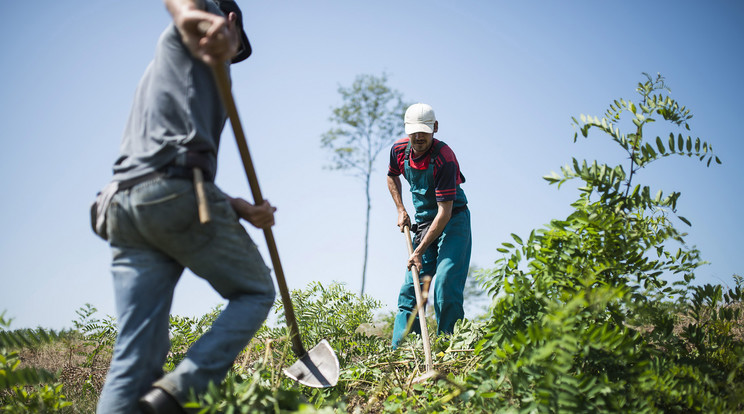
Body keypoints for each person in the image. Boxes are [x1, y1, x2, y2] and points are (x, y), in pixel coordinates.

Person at [93, 1, 276, 413]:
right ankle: (172, 398)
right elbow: (185, 10)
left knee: (135, 356)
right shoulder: (193, 36)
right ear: (230, 22)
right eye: (237, 44)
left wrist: (239, 208)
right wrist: (200, 20)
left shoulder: (172, 73)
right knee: (256, 291)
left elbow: (169, 162)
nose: (233, 55)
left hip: (124, 204)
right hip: (170, 195)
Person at [386, 103, 472, 349]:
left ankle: (450, 348)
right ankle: (404, 351)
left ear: (434, 128)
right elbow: (391, 175)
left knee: (445, 284)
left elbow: (444, 213)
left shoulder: (444, 158)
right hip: (424, 224)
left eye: (424, 130)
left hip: (453, 222)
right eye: (414, 131)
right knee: (411, 289)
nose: (419, 137)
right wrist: (401, 208)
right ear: (407, 130)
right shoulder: (399, 150)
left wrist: (419, 251)